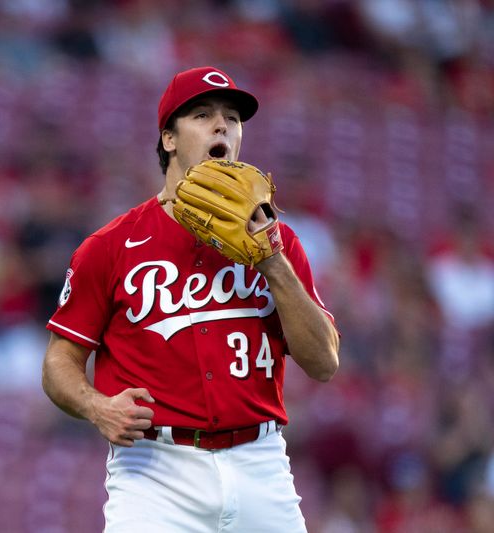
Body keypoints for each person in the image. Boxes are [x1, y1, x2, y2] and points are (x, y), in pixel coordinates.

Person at [41, 66, 340, 532]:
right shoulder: (111, 246)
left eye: (232, 119)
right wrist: (97, 406)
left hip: (260, 463)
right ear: (169, 140)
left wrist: (273, 264)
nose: (222, 125)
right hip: (155, 472)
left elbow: (323, 362)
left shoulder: (278, 241)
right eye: (202, 115)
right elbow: (60, 361)